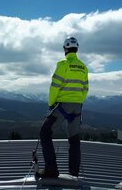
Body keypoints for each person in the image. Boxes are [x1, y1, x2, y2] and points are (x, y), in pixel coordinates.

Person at [37, 36, 89, 178]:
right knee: (74, 139)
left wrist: (51, 104)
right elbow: (85, 88)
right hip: (77, 107)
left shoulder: (62, 64)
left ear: (65, 49)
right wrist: (77, 100)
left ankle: (51, 169)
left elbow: (55, 86)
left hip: (62, 106)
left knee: (45, 132)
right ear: (76, 49)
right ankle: (74, 175)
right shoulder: (83, 67)